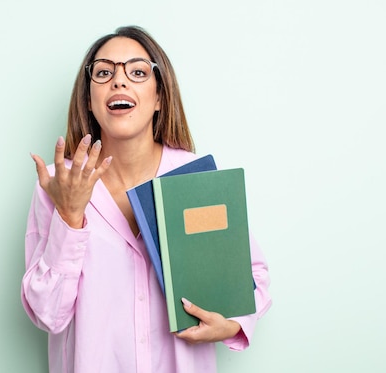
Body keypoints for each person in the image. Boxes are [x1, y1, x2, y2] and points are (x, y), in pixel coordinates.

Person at [21, 25, 272, 373]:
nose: (119, 81)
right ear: (89, 100)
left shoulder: (195, 178)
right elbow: (48, 314)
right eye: (104, 72)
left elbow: (251, 276)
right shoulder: (58, 183)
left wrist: (233, 325)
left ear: (158, 98)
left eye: (137, 72)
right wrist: (70, 214)